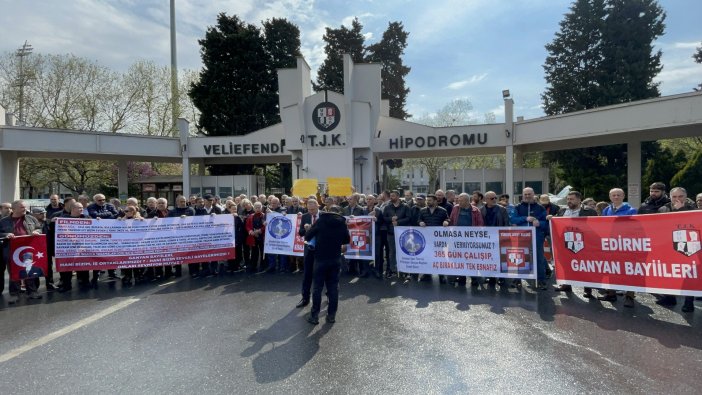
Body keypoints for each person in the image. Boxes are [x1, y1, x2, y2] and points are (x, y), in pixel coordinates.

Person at [304, 205, 350, 325]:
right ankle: (331, 316)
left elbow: (307, 236)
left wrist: (311, 230)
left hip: (320, 259)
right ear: (339, 212)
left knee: (317, 288)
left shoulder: (321, 221)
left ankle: (314, 316)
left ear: (328, 211)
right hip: (335, 258)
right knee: (333, 288)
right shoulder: (342, 223)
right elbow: (347, 240)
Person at [656, 187, 696, 311]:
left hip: (687, 246)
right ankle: (669, 297)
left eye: (680, 196)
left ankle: (689, 302)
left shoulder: (693, 209)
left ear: (686, 196)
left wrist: (682, 210)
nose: (677, 199)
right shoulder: (663, 209)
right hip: (667, 245)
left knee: (689, 274)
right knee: (669, 272)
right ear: (670, 197)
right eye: (674, 197)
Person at [552, 191, 598, 295]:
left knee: (585, 266)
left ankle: (588, 289)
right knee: (566, 264)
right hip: (566, 242)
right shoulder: (562, 211)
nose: (569, 201)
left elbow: (595, 227)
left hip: (583, 242)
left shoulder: (589, 211)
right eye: (568, 199)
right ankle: (566, 285)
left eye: (571, 199)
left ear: (579, 199)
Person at [598, 188, 637, 307]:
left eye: (618, 195)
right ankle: (611, 293)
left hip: (626, 245)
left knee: (629, 271)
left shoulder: (631, 210)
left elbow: (635, 228)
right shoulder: (606, 209)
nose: (616, 197)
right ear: (610, 197)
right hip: (610, 245)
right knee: (611, 269)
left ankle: (630, 296)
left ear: (623, 196)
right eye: (613, 195)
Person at [0, 200, 44, 304]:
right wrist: (6, 235)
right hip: (11, 250)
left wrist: (37, 231)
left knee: (29, 271)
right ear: (14, 209)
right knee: (14, 273)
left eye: (25, 207)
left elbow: (39, 228)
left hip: (28, 249)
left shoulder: (31, 218)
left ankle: (32, 292)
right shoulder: (3, 221)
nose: (25, 209)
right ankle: (14, 294)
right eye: (22, 207)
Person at [510, 187, 548, 290]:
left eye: (529, 194)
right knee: (519, 258)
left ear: (533, 194)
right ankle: (517, 280)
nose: (527, 196)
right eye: (525, 194)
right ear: (522, 195)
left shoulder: (540, 208)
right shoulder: (517, 207)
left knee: (538, 258)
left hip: (537, 236)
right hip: (520, 236)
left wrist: (540, 223)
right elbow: (513, 219)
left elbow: (546, 223)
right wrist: (525, 218)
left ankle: (541, 281)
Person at [449, 193, 485, 286]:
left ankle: (474, 278)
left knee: (472, 259)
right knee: (459, 259)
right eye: (458, 200)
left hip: (471, 240)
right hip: (457, 239)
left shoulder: (475, 210)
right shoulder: (455, 208)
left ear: (467, 201)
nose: (458, 202)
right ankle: (462, 277)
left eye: (461, 200)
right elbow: (452, 221)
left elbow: (480, 224)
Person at [416, 194, 450, 283]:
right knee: (427, 256)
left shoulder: (443, 211)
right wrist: (420, 222)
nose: (428, 202)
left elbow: (448, 219)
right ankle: (427, 273)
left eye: (430, 200)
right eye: (427, 200)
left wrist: (446, 221)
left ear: (435, 201)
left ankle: (441, 275)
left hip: (439, 239)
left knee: (440, 257)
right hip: (426, 239)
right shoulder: (422, 211)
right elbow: (419, 219)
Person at [87, 193, 120, 280]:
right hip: (98, 235)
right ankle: (96, 275)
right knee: (98, 254)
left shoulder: (110, 206)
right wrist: (109, 214)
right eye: (99, 200)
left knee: (111, 254)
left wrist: (104, 217)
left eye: (103, 199)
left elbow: (116, 215)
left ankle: (112, 273)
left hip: (111, 234)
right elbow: (94, 215)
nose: (102, 201)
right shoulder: (91, 206)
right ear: (95, 200)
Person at [480, 191, 510, 285]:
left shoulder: (502, 209)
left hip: (499, 237)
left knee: (501, 258)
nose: (494, 200)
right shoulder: (481, 210)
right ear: (486, 200)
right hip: (486, 238)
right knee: (488, 258)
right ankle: (490, 277)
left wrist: (504, 236)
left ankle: (502, 277)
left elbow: (506, 224)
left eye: (495, 198)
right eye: (492, 198)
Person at [295, 199, 320, 308]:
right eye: (309, 209)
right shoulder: (305, 216)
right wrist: (305, 230)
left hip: (321, 248)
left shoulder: (324, 215)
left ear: (318, 206)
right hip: (309, 249)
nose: (311, 212)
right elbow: (300, 233)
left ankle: (329, 296)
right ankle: (305, 298)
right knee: (307, 274)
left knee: (324, 274)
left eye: (313, 209)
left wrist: (314, 229)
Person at [382, 190, 411, 278]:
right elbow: (384, 218)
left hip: (403, 234)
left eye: (393, 196)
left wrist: (398, 222)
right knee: (392, 252)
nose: (391, 197)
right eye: (390, 196)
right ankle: (393, 270)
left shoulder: (405, 206)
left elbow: (409, 218)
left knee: (404, 251)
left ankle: (405, 270)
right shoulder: (387, 207)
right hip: (391, 233)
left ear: (398, 196)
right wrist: (391, 219)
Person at [168, 195, 195, 277]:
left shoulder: (191, 210)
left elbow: (195, 221)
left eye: (184, 201)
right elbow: (169, 223)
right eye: (181, 201)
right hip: (177, 236)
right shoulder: (172, 212)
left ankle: (192, 271)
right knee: (178, 254)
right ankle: (178, 272)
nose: (183, 203)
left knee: (190, 254)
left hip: (189, 236)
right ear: (177, 202)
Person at [118, 205, 144, 286]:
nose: (124, 213)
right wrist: (118, 221)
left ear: (132, 212)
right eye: (124, 211)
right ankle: (128, 276)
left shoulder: (139, 219)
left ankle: (137, 276)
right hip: (125, 244)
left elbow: (145, 228)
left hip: (136, 244)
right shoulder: (122, 220)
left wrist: (140, 221)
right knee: (127, 261)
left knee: (135, 260)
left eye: (126, 211)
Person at [245, 201, 266, 273]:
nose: (257, 209)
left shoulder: (264, 216)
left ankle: (263, 266)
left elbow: (265, 226)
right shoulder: (251, 216)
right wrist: (250, 231)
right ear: (254, 208)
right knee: (254, 252)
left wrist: (260, 230)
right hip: (253, 237)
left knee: (263, 251)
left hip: (262, 236)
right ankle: (253, 266)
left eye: (259, 207)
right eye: (256, 207)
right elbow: (247, 226)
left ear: (261, 208)